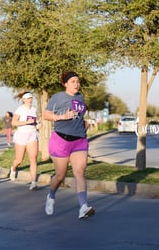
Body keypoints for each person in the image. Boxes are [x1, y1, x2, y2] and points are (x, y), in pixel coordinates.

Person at [43, 71, 95, 219]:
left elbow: (79, 116)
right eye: (73, 81)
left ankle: (83, 207)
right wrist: (62, 117)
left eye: (78, 81)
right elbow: (46, 115)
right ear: (65, 84)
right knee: (60, 175)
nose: (76, 84)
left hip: (79, 140)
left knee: (80, 172)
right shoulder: (58, 97)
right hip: (61, 140)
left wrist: (84, 124)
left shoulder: (80, 97)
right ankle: (51, 196)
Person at [9, 92, 41, 191]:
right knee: (19, 160)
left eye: (31, 97)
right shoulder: (20, 109)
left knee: (33, 158)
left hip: (32, 134)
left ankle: (33, 183)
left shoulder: (34, 109)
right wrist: (27, 122)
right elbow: (14, 122)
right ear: (24, 100)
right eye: (28, 98)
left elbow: (34, 123)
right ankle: (13, 168)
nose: (30, 99)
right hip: (21, 135)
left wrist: (37, 126)